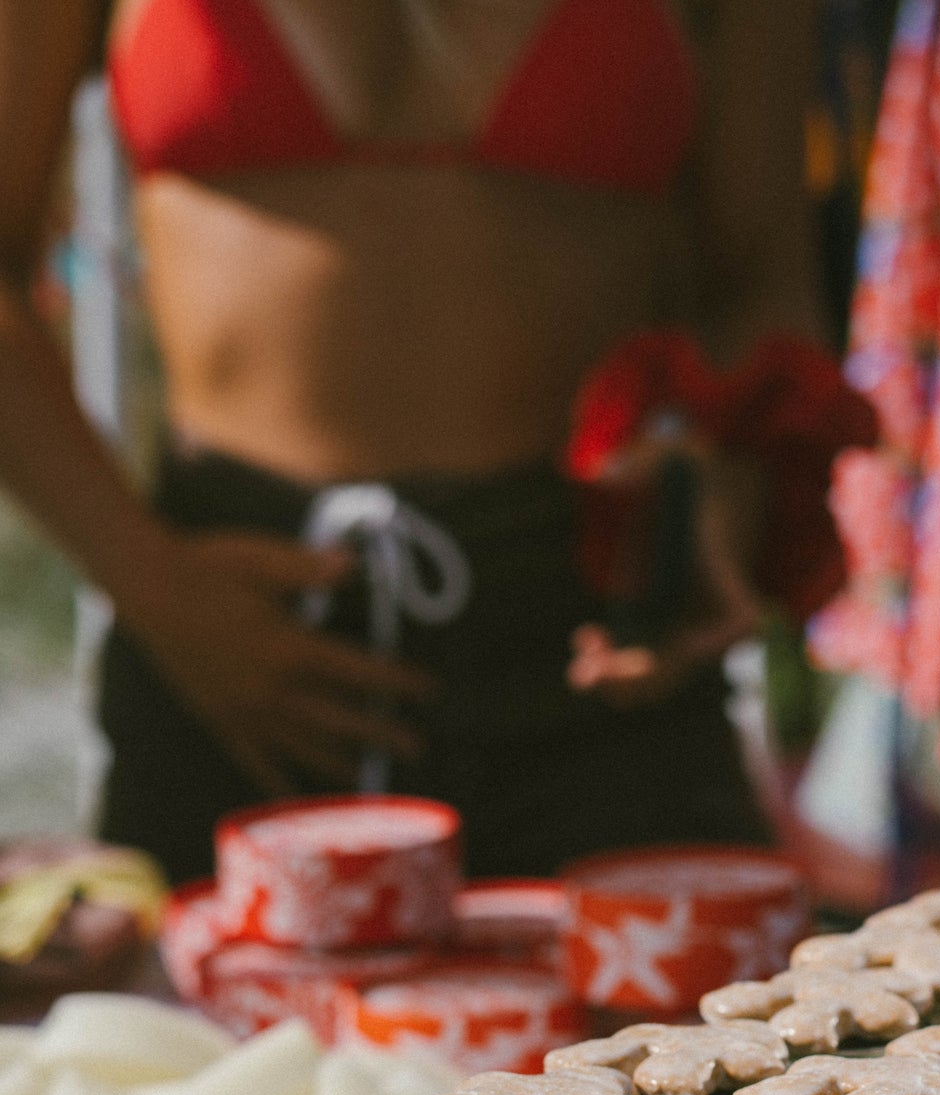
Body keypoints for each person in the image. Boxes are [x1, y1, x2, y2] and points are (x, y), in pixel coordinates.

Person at [0, 0, 840, 881]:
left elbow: (761, 277)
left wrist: (724, 500)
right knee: (200, 1022)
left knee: (689, 1019)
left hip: (593, 631)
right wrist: (154, 583)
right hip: (234, 633)